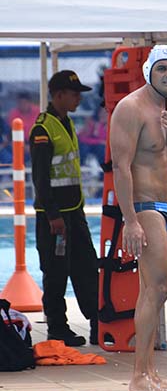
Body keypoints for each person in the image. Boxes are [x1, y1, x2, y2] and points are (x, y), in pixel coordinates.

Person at [110, 45, 167, 391]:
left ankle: (150, 373)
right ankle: (138, 376)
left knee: (156, 290)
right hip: (144, 206)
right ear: (149, 71)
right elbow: (121, 167)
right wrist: (129, 220)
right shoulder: (130, 108)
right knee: (157, 287)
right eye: (162, 69)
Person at [29, 70, 99, 347]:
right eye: (74, 94)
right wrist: (53, 215)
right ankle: (58, 327)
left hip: (75, 211)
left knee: (87, 267)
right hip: (54, 217)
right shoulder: (43, 129)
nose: (78, 99)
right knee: (56, 273)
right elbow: (40, 178)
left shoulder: (65, 122)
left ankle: (98, 321)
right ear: (58, 95)